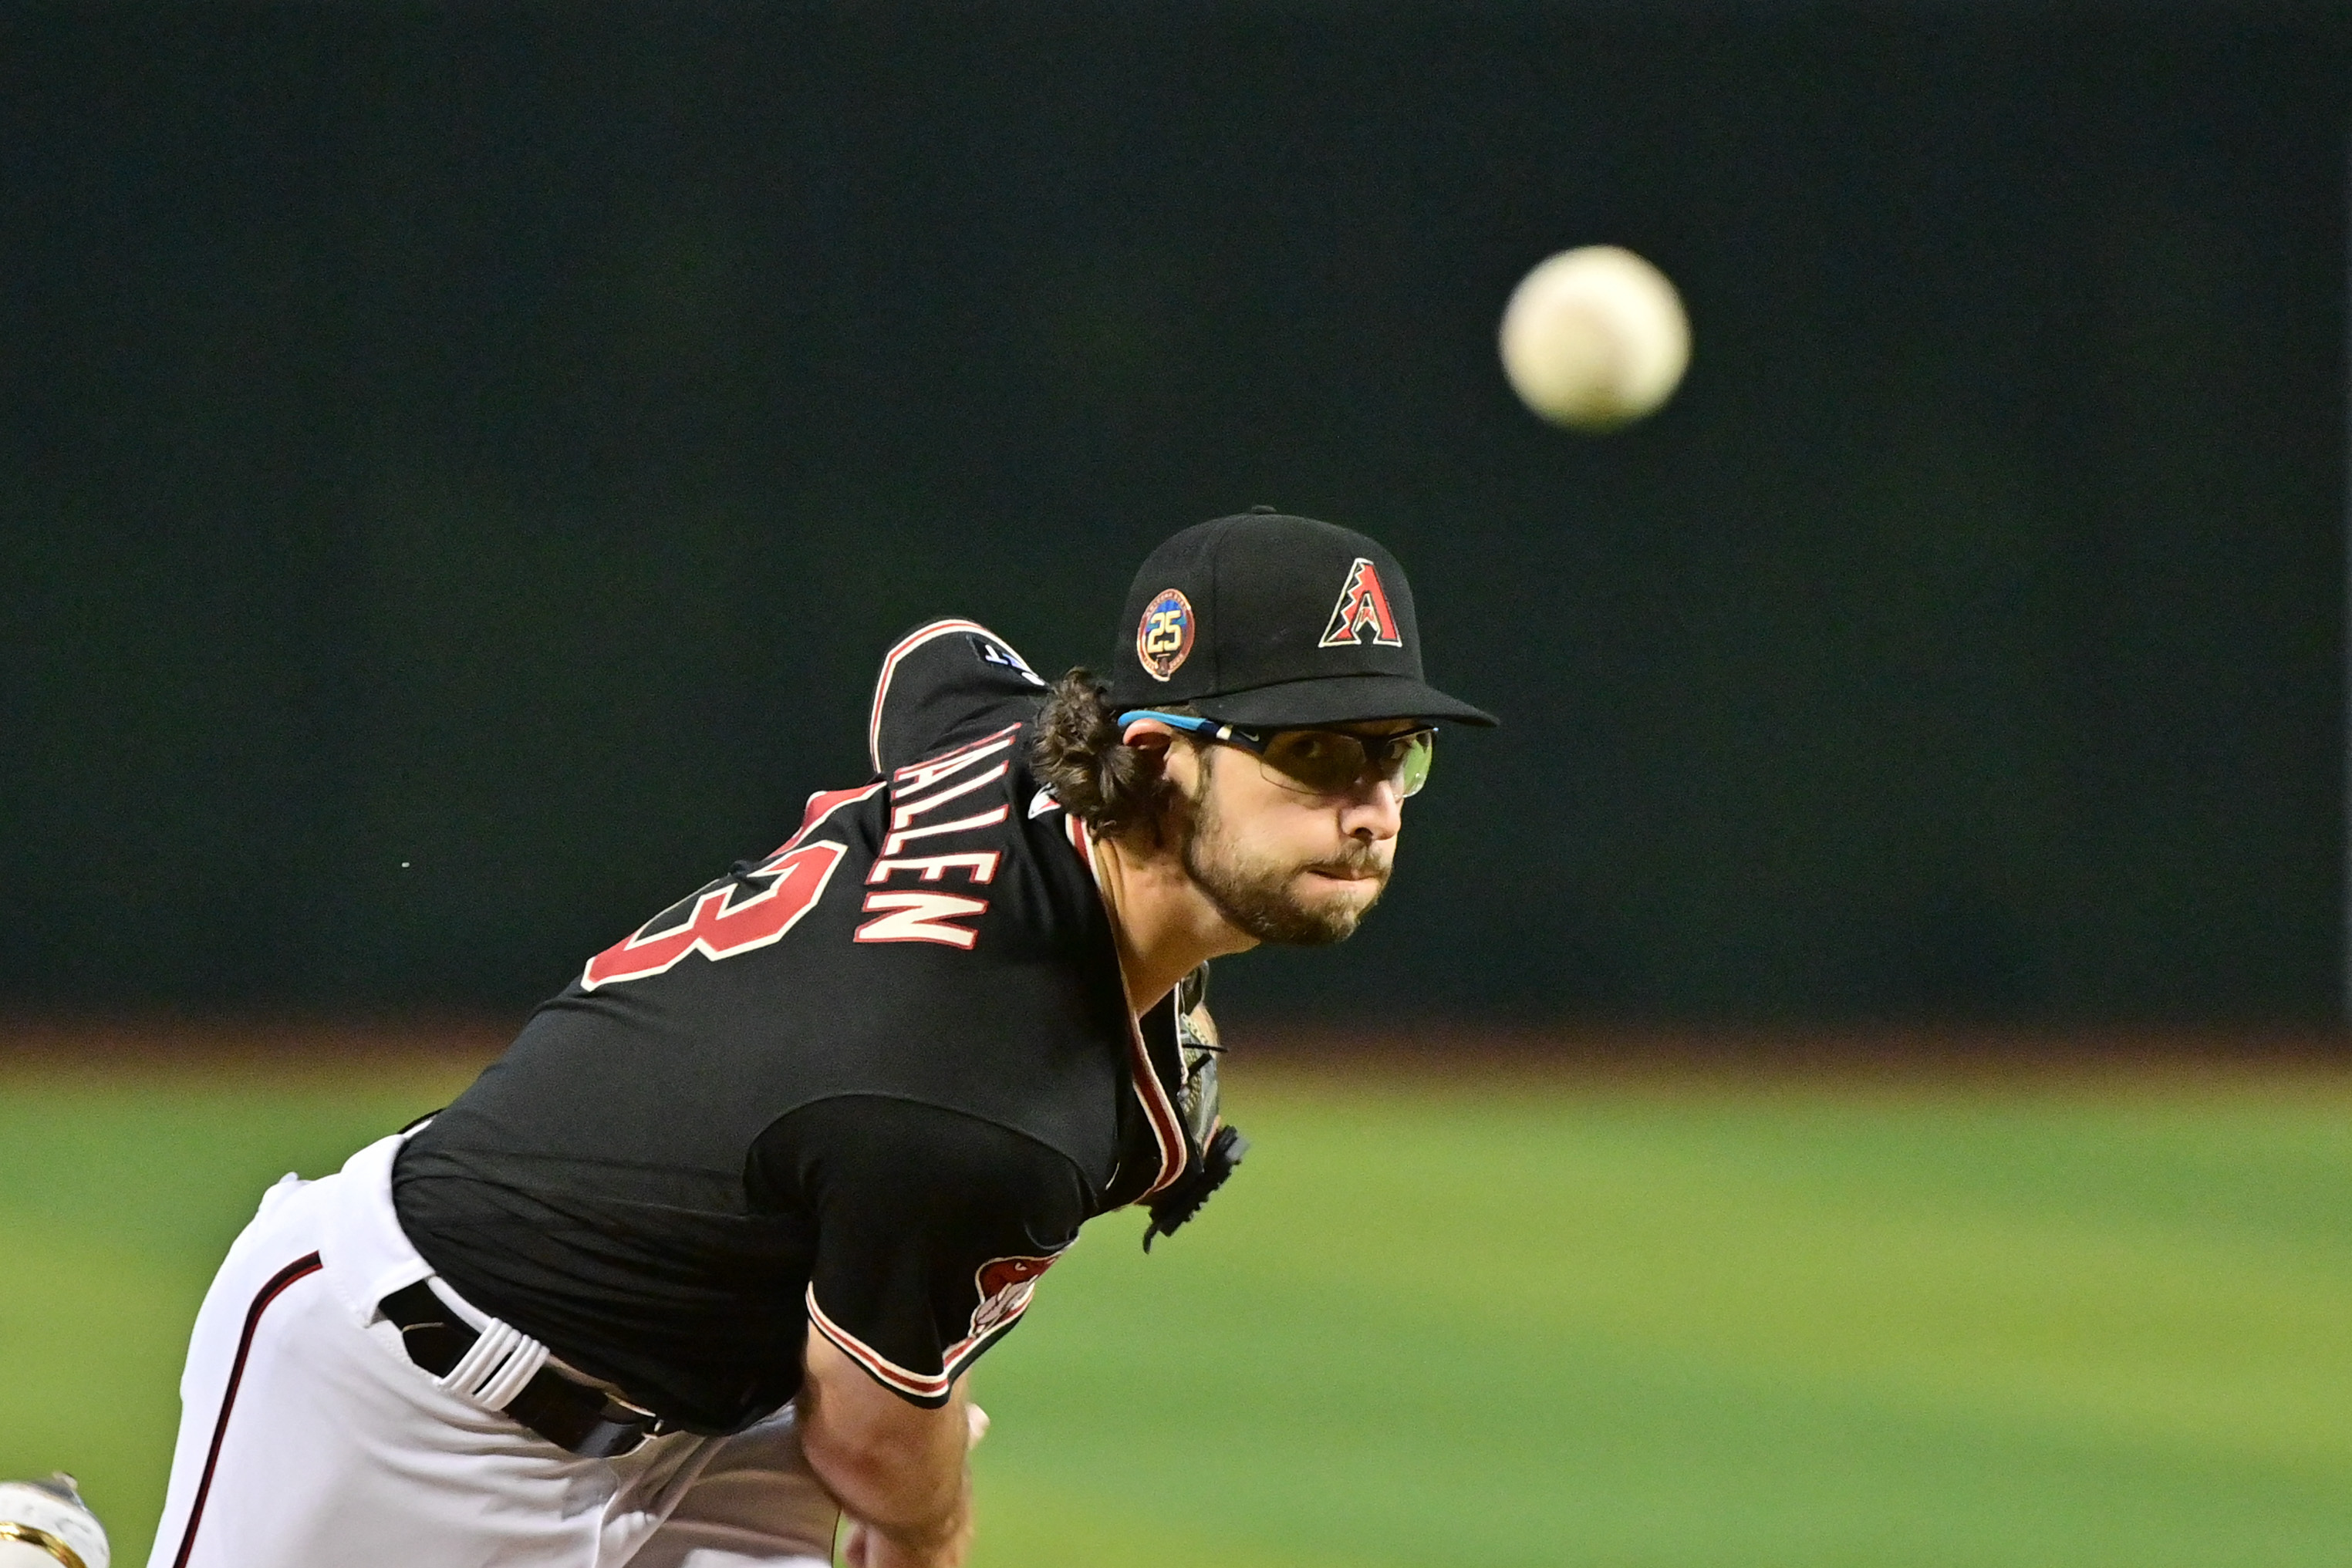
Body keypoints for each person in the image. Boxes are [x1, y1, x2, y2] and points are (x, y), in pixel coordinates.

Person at [145, 510, 1494, 1568]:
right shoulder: (980, 1104)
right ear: (1155, 760)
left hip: (717, 1426)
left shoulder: (1030, 754)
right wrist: (930, 1522)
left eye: (1397, 755)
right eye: (1312, 753)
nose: (1371, 806)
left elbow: (939, 661)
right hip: (403, 1393)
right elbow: (871, 1454)